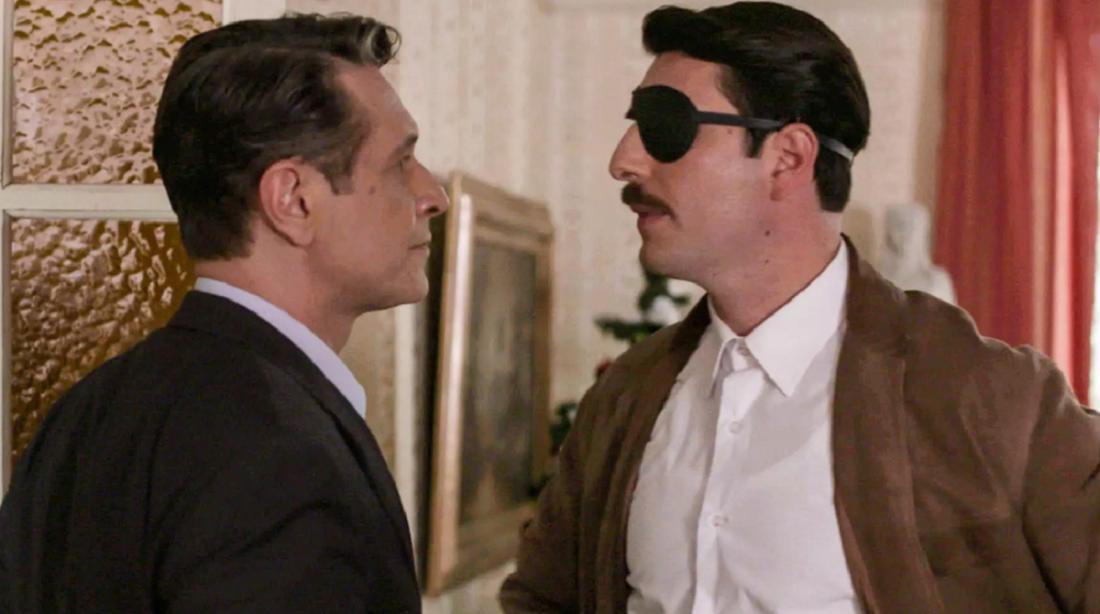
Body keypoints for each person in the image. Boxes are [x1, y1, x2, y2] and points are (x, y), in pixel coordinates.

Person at [500, 2, 1100, 613]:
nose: (623, 160)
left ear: (788, 157)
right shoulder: (623, 400)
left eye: (663, 125)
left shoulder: (994, 401)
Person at [0, 13, 447, 613]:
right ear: (293, 201)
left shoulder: (86, 410)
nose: (433, 195)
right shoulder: (280, 453)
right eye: (400, 163)